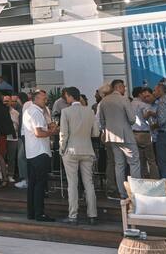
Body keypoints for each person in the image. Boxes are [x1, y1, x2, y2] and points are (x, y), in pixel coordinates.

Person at [59, 86, 99, 225]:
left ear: (70, 96)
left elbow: (63, 133)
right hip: (87, 149)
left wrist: (61, 148)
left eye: (66, 96)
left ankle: (73, 215)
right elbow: (96, 133)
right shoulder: (90, 111)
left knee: (72, 183)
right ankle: (92, 214)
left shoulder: (65, 112)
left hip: (71, 150)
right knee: (89, 183)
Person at [97, 79, 141, 199]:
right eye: (124, 87)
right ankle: (136, 192)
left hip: (111, 137)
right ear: (119, 87)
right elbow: (132, 119)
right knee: (134, 162)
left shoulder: (104, 101)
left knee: (119, 164)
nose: (125, 89)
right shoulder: (123, 99)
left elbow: (101, 121)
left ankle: (122, 193)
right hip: (125, 135)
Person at [23, 89, 57, 222]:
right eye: (43, 99)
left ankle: (31, 212)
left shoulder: (29, 111)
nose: (46, 101)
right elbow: (39, 133)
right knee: (39, 184)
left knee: (32, 184)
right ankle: (39, 213)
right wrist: (52, 132)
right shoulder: (36, 112)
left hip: (32, 152)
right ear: (36, 99)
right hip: (40, 151)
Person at [131, 87, 159, 179]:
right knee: (151, 160)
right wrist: (151, 113)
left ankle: (144, 178)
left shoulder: (129, 104)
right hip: (144, 134)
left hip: (133, 134)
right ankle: (154, 180)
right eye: (143, 94)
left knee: (140, 159)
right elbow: (146, 117)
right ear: (140, 94)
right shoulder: (144, 105)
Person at [0, 91, 15, 184]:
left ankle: (0, 177)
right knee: (2, 155)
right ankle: (3, 176)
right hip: (4, 135)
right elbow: (9, 122)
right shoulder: (4, 108)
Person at [14, 92, 30, 189]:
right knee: (22, 157)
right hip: (23, 136)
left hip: (24, 137)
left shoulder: (24, 108)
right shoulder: (23, 107)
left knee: (21, 157)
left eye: (17, 100)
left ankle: (25, 179)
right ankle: (26, 179)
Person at [6, 95, 21, 184]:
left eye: (8, 101)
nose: (6, 103)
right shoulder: (1, 112)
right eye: (5, 101)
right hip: (3, 137)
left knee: (11, 158)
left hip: (13, 137)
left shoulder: (16, 113)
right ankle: (3, 175)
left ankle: (10, 175)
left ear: (11, 102)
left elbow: (18, 126)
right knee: (3, 157)